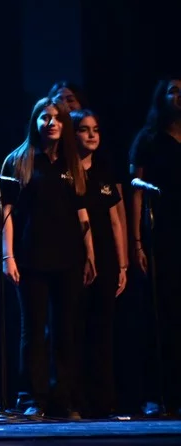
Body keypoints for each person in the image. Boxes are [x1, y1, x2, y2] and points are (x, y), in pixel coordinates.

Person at [0, 99, 95, 418]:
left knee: (64, 330)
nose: (51, 123)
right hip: (31, 257)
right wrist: (8, 255)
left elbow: (82, 212)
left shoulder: (72, 162)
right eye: (45, 117)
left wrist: (90, 255)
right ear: (35, 122)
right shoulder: (19, 160)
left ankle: (62, 398)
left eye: (57, 118)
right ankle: (32, 398)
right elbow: (6, 212)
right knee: (34, 330)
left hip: (68, 257)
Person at [128, 77, 181, 415]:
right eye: (173, 90)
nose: (179, 96)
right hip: (161, 237)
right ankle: (158, 394)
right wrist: (136, 241)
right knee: (163, 315)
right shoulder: (148, 139)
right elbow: (135, 190)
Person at [72, 109, 127, 417]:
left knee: (103, 331)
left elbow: (116, 220)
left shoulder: (104, 172)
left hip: (106, 261)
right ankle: (76, 400)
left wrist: (122, 265)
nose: (92, 135)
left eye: (95, 129)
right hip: (74, 260)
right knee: (76, 330)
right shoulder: (67, 172)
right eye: (84, 129)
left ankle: (103, 401)